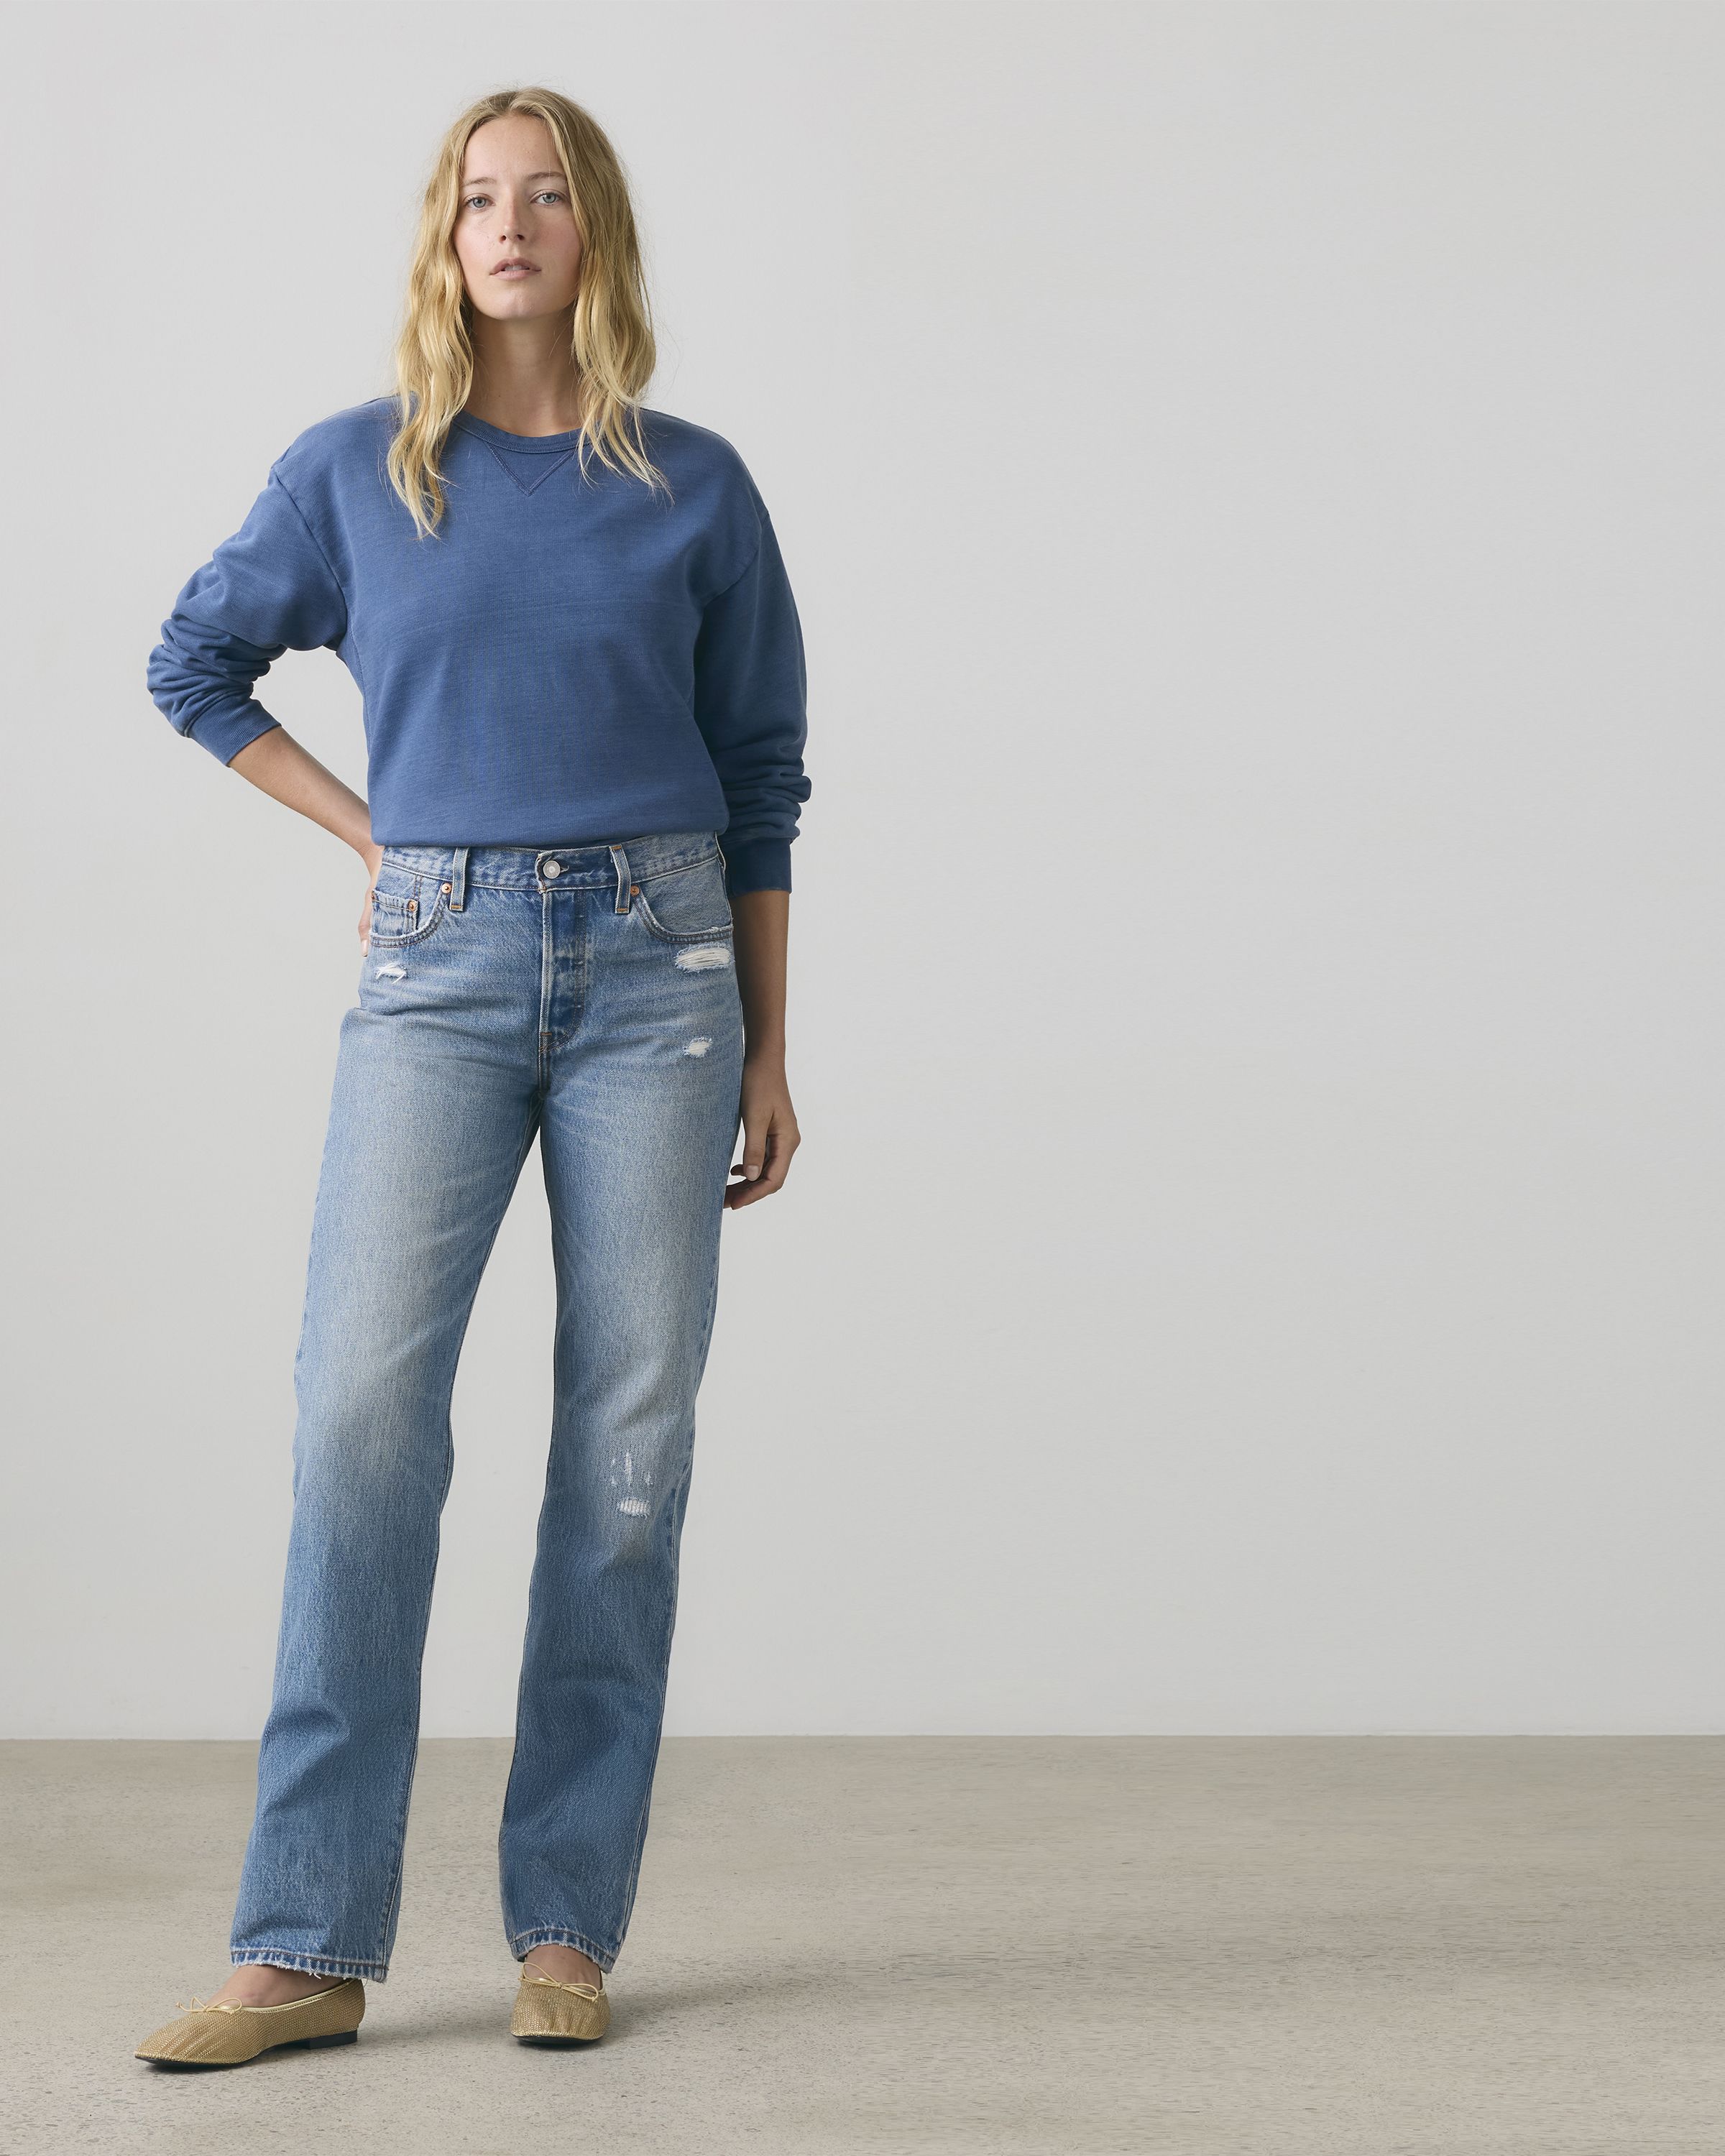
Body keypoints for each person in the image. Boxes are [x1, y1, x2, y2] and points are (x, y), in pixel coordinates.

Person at [132, 83, 809, 2069]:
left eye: (547, 197)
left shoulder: (697, 486)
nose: (509, 226)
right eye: (478, 198)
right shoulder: (361, 472)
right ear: (446, 239)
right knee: (361, 1421)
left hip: (666, 975)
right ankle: (306, 1943)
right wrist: (376, 837)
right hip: (436, 968)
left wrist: (775, 1042)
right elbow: (192, 664)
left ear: (597, 236)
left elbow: (762, 776)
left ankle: (566, 1924)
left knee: (626, 1450)